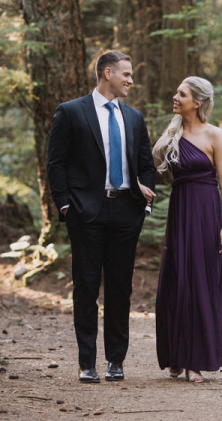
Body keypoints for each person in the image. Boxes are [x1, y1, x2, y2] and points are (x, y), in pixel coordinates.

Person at [47, 51, 156, 383]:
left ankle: (116, 361)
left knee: (120, 288)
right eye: (126, 74)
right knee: (86, 287)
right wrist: (66, 207)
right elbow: (56, 164)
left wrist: (144, 201)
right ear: (107, 73)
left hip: (126, 211)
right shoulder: (70, 112)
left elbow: (146, 165)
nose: (130, 80)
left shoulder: (134, 117)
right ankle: (86, 363)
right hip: (86, 213)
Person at [153, 76, 222, 383]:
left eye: (181, 94)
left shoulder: (215, 135)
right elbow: (151, 166)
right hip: (179, 212)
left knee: (201, 284)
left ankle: (195, 361)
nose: (175, 97)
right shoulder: (172, 133)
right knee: (176, 282)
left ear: (197, 103)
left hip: (207, 214)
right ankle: (176, 355)